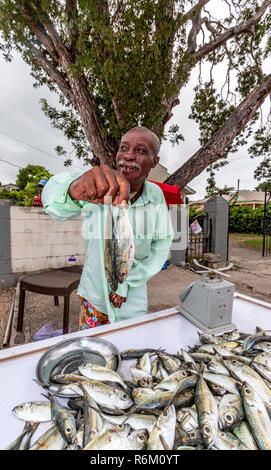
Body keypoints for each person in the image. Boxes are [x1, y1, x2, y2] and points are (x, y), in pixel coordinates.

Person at [42, 126, 174, 329]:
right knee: (93, 355)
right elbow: (53, 204)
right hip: (94, 298)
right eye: (124, 148)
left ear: (154, 161)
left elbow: (161, 245)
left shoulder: (155, 195)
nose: (128, 156)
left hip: (133, 302)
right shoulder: (97, 185)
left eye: (140, 150)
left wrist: (126, 284)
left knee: (130, 352)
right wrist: (73, 189)